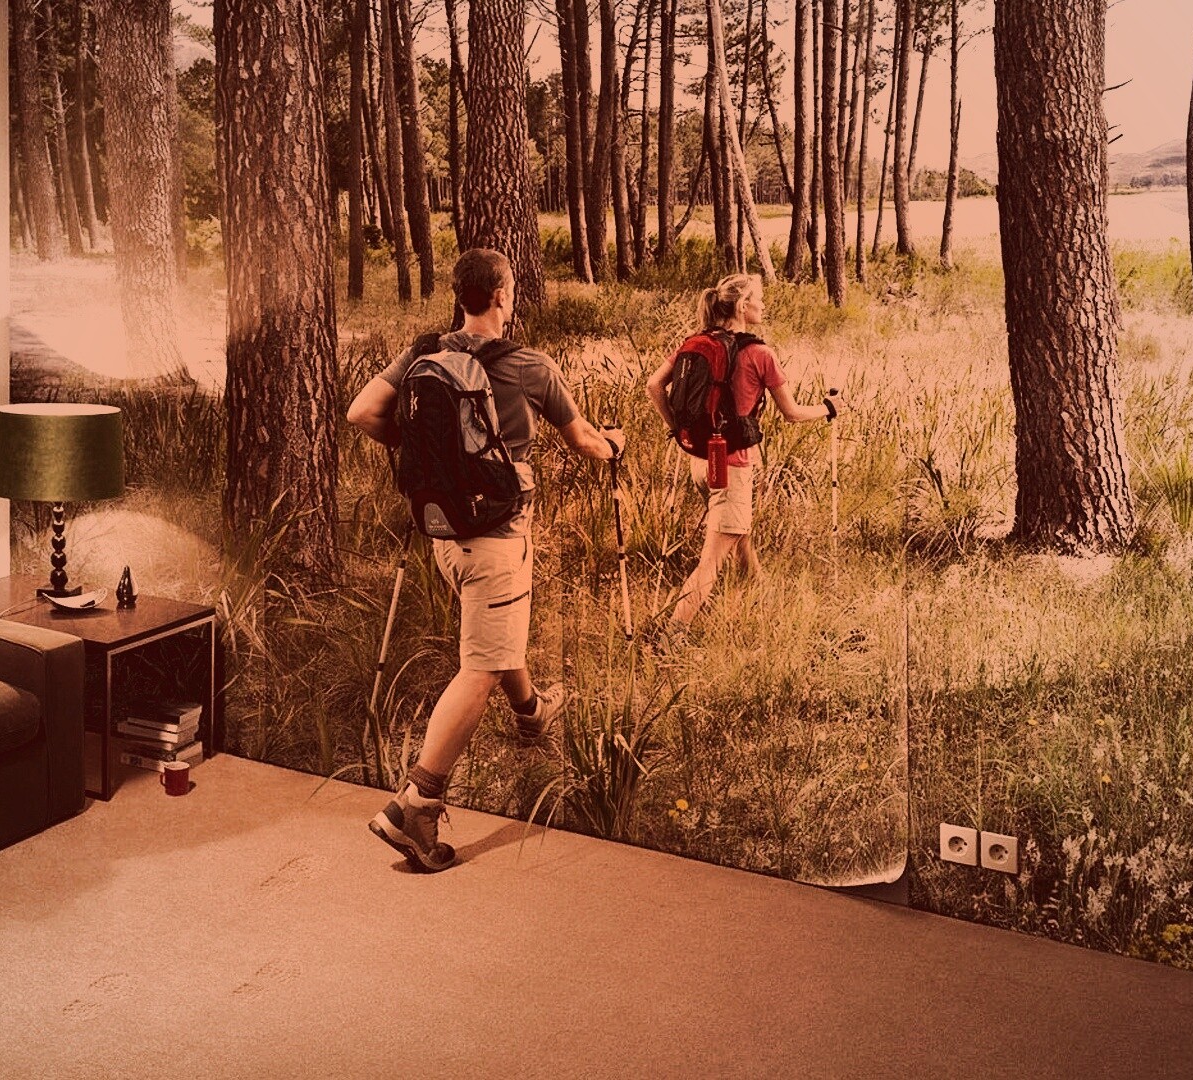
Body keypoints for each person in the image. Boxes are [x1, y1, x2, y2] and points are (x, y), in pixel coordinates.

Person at [346, 248, 625, 872]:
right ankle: (416, 804)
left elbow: (361, 412)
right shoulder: (529, 365)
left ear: (459, 295)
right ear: (502, 295)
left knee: (497, 633)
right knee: (481, 666)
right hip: (496, 538)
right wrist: (615, 444)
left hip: (444, 535)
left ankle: (531, 713)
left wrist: (420, 448)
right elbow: (583, 439)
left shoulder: (423, 353)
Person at [645, 273, 837, 632]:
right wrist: (828, 409)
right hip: (732, 465)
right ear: (743, 305)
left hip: (700, 461)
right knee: (711, 562)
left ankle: (759, 596)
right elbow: (792, 413)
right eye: (759, 298)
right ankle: (671, 634)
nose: (763, 304)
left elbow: (654, 385)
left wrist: (677, 431)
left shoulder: (695, 343)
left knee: (738, 532)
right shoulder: (761, 354)